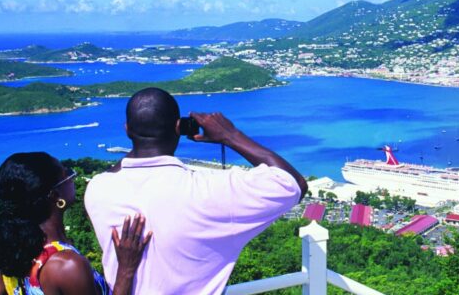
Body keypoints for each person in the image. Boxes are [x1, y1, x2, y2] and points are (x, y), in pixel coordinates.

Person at [84, 87, 308, 295]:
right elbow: (293, 183)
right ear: (179, 128)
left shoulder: (97, 190)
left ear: (127, 130)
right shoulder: (209, 191)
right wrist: (230, 135)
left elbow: (116, 172)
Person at [0, 152, 151, 295]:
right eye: (66, 174)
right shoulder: (66, 265)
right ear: (55, 196)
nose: (72, 177)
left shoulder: (14, 255)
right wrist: (126, 270)